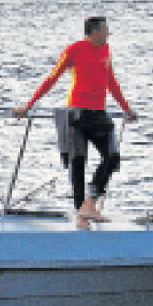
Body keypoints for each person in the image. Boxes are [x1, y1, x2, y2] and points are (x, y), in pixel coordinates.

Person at [12, 16, 138, 225]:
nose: (108, 34)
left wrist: (126, 108)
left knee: (112, 157)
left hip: (99, 113)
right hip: (78, 113)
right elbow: (52, 78)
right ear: (94, 32)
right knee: (77, 163)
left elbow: (111, 82)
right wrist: (29, 104)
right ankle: (82, 215)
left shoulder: (106, 50)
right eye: (105, 30)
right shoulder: (74, 50)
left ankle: (90, 202)